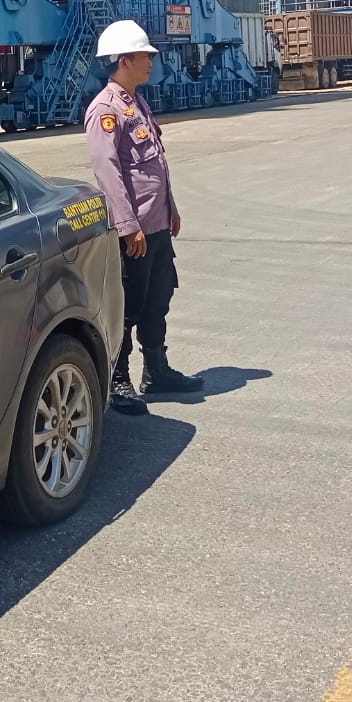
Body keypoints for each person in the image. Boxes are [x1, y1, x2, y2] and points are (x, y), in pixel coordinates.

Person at [83, 20, 205, 415]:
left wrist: (171, 209)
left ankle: (157, 371)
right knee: (128, 306)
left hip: (157, 224)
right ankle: (118, 380)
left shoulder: (136, 104)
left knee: (158, 297)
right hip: (133, 230)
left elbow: (154, 165)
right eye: (144, 56)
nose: (150, 62)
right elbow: (108, 171)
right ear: (123, 60)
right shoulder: (105, 109)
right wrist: (127, 225)